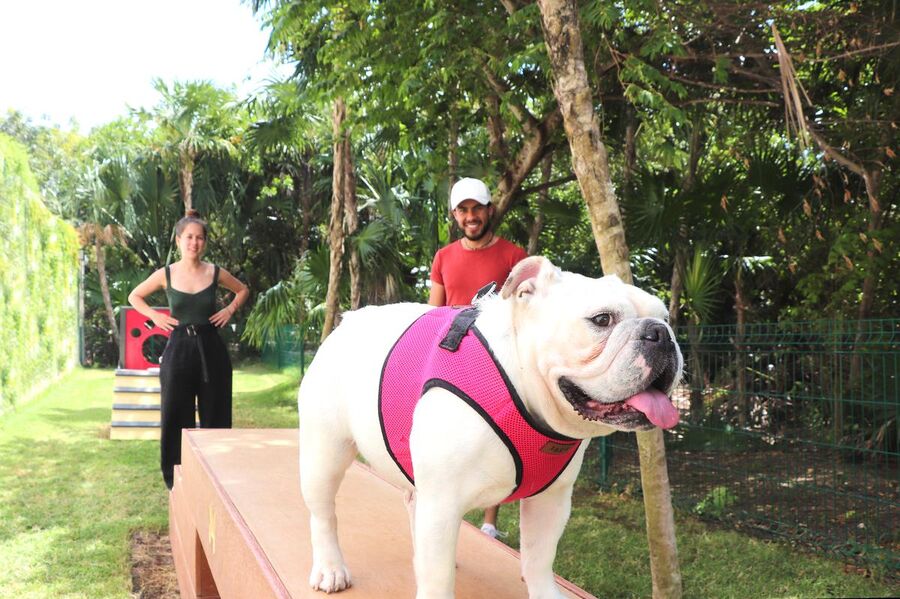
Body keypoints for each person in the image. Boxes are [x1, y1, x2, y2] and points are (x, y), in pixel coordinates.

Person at [428, 177, 527, 538]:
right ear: (455, 215)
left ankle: (489, 522)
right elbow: (434, 314)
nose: (471, 216)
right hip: (454, 360)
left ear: (489, 210)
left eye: (477, 209)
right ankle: (447, 510)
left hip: (497, 362)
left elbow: (524, 311)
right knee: (448, 438)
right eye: (463, 210)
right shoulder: (443, 258)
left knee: (495, 437)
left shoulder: (515, 257)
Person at [128, 209, 249, 490]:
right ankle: (175, 479)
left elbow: (242, 290)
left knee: (216, 413)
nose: (194, 242)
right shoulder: (166, 274)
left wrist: (229, 309)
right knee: (175, 413)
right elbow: (135, 296)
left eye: (199, 238)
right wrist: (155, 316)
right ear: (178, 240)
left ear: (204, 242)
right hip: (178, 349)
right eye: (189, 237)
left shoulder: (214, 272)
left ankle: (217, 476)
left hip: (211, 349)